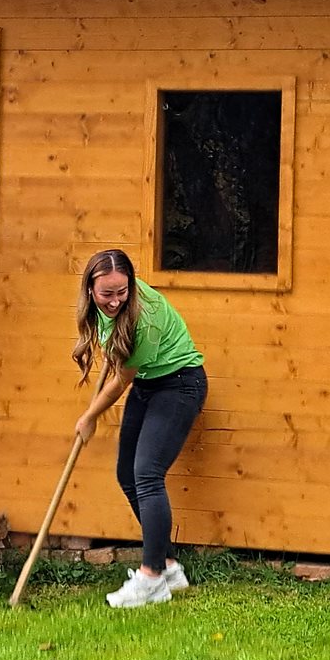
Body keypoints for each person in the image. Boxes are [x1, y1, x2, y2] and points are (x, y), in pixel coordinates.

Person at [71, 249, 208, 608]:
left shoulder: (144, 316)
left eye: (122, 291)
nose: (116, 300)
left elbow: (121, 381)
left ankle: (151, 579)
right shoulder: (100, 308)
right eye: (107, 294)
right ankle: (169, 566)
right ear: (90, 290)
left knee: (147, 474)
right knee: (127, 474)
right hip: (150, 384)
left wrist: (90, 417)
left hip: (179, 384)